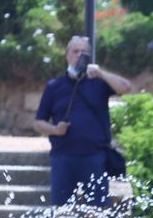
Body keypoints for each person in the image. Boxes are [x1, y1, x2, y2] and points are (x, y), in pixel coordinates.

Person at [33, 34, 134, 207]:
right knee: (63, 212)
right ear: (67, 55)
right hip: (63, 156)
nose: (79, 55)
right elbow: (38, 123)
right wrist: (55, 130)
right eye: (75, 51)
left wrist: (101, 73)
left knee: (97, 212)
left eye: (84, 52)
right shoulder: (54, 86)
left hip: (94, 156)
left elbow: (126, 87)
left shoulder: (98, 83)